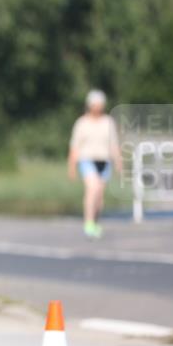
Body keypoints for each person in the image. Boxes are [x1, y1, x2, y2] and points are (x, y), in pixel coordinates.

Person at [68, 89, 123, 239]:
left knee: (99, 197)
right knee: (93, 189)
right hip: (87, 160)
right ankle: (88, 223)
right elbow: (75, 146)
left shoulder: (108, 122)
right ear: (90, 105)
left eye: (100, 104)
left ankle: (95, 221)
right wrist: (72, 166)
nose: (97, 107)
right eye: (95, 104)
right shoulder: (82, 123)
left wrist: (119, 162)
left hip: (104, 161)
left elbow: (114, 145)